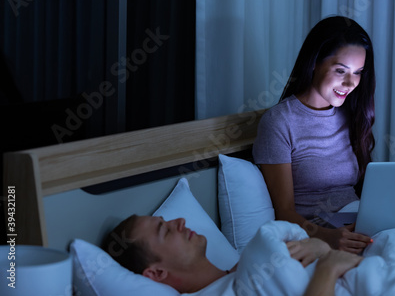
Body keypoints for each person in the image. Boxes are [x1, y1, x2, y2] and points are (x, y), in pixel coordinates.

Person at [252, 16, 376, 254]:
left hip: (357, 221)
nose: (351, 83)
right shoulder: (279, 122)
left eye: (358, 72)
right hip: (321, 233)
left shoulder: (350, 114)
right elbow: (284, 211)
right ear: (315, 63)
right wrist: (329, 237)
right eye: (341, 70)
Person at [103, 215, 363, 294]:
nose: (180, 220)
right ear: (157, 273)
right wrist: (328, 267)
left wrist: (321, 248)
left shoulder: (244, 268)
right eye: (165, 230)